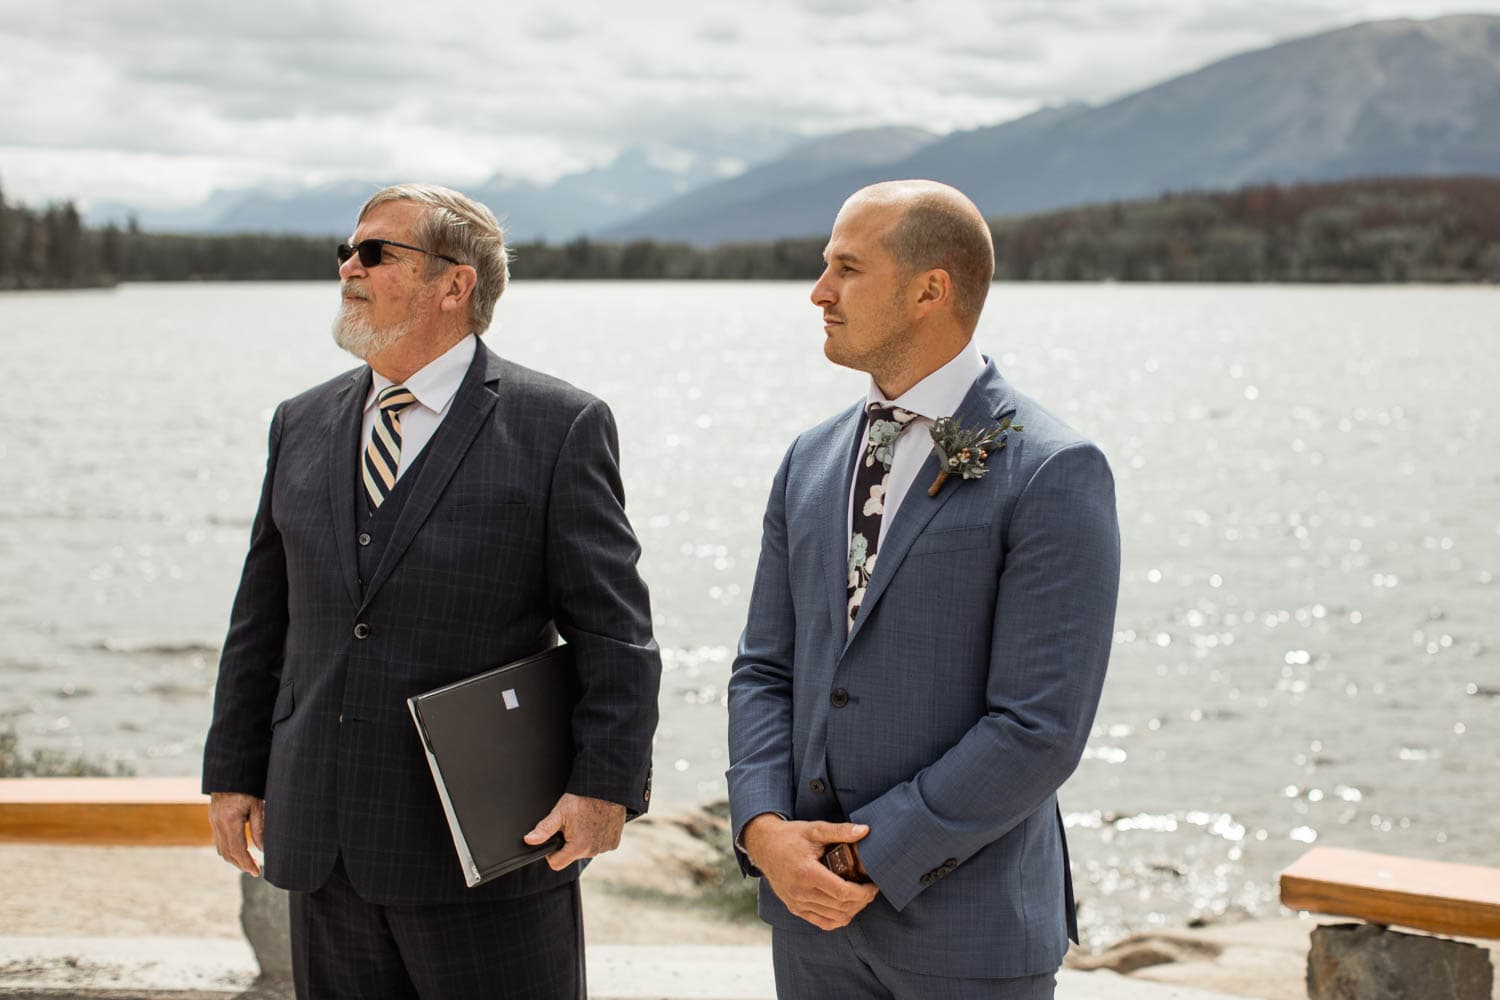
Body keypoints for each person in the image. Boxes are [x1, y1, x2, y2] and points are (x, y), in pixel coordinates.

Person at [202, 183, 660, 999]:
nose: (349, 265)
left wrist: (603, 787)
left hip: (485, 847)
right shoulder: (299, 422)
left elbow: (614, 634)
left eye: (376, 252)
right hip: (323, 843)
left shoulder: (561, 425)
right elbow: (261, 617)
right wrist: (234, 770)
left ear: (456, 284)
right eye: (347, 250)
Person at [726, 180, 1121, 999]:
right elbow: (764, 668)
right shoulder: (810, 459)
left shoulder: (1051, 469)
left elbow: (1039, 728)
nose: (819, 292)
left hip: (967, 935)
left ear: (929, 290)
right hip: (809, 930)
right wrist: (765, 832)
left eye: (847, 269)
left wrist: (866, 854)